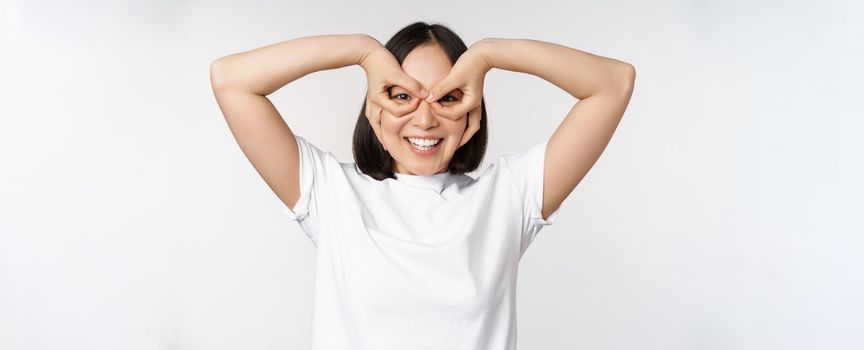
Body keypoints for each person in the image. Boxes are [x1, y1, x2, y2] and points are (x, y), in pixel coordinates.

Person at [210, 21, 634, 350]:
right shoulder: (331, 193)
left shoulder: (508, 197)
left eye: (447, 98)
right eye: (401, 96)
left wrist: (488, 54)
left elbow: (613, 83)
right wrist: (361, 50)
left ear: (473, 112)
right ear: (374, 107)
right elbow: (232, 80)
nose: (425, 119)